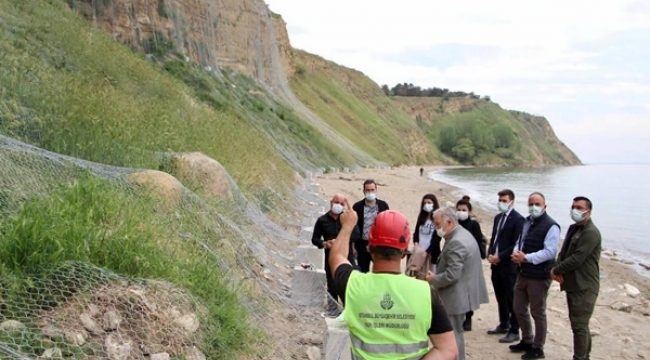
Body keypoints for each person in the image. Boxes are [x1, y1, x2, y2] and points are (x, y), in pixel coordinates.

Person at [329, 204, 458, 360]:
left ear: (370, 247)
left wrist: (348, 225)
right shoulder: (425, 293)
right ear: (404, 252)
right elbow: (448, 350)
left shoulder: (352, 285)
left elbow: (337, 257)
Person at [428, 207, 489, 360]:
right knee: (456, 333)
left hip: (456, 297)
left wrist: (433, 279)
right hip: (462, 293)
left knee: (453, 335)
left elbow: (452, 274)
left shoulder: (457, 242)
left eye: (437, 224)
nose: (436, 229)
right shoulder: (461, 234)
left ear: (448, 222)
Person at [509, 192, 559, 359]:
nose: (533, 207)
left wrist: (527, 258)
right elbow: (520, 240)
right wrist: (516, 253)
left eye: (537, 204)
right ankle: (527, 339)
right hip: (523, 272)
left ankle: (538, 347)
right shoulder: (527, 222)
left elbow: (550, 251)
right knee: (518, 308)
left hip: (539, 275)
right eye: (531, 203)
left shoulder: (552, 226)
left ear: (544, 206)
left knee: (537, 312)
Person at [551, 196, 601, 360]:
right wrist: (558, 268)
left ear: (588, 211)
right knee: (579, 325)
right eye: (573, 206)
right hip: (573, 284)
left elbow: (577, 258)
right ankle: (584, 356)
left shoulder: (591, 233)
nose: (575, 210)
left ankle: (580, 357)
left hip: (585, 286)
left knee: (579, 326)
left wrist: (556, 270)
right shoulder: (574, 228)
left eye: (579, 207)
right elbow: (564, 252)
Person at [312, 194, 360, 318]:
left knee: (351, 283)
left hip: (348, 257)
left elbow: (356, 236)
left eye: (341, 204)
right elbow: (315, 239)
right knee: (332, 285)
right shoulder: (322, 220)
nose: (338, 205)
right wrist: (325, 243)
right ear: (331, 202)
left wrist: (346, 231)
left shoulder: (346, 219)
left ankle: (350, 311)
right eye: (336, 202)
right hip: (331, 258)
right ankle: (333, 310)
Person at [486, 189, 525, 344]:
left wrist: (500, 256)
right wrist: (490, 253)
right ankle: (504, 324)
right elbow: (494, 237)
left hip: (509, 266)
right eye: (500, 200)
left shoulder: (518, 220)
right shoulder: (498, 218)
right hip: (496, 265)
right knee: (500, 296)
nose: (501, 203)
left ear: (512, 202)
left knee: (511, 298)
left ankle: (515, 330)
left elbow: (516, 243)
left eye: (504, 200)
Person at [455, 198, 487, 332]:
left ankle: (468, 317)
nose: (461, 212)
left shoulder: (473, 225)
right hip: (456, 260)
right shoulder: (453, 224)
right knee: (457, 289)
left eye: (464, 210)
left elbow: (479, 241)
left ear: (469, 211)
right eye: (459, 210)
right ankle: (458, 315)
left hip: (470, 261)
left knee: (469, 290)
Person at [353, 179, 389, 273]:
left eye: (372, 190)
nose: (370, 192)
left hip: (378, 245)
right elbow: (353, 227)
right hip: (362, 245)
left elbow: (387, 225)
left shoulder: (383, 206)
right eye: (368, 190)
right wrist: (353, 246)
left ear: (376, 190)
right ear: (364, 191)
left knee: (380, 271)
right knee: (363, 271)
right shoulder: (357, 207)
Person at [413, 194, 442, 269]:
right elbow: (416, 233)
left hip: (431, 253)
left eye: (429, 203)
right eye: (425, 203)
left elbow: (437, 238)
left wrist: (427, 252)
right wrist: (416, 245)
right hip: (419, 251)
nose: (426, 205)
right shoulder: (422, 218)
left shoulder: (438, 220)